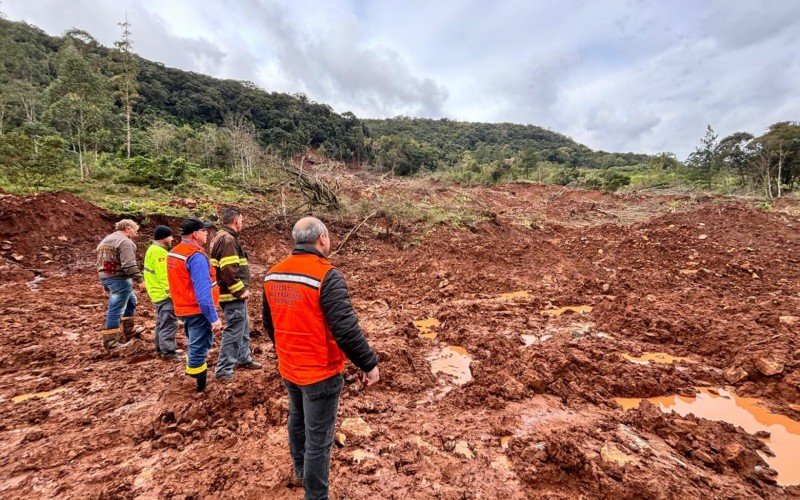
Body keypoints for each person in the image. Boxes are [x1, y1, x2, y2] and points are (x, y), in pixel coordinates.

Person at [263, 216, 380, 499]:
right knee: (319, 439)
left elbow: (269, 324)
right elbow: (345, 328)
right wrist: (369, 364)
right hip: (319, 372)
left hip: (289, 367)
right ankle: (315, 495)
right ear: (322, 239)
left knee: (297, 420)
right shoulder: (326, 275)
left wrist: (286, 351)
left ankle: (300, 471)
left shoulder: (273, 273)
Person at [166, 217, 222, 392]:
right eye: (205, 231)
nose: (207, 234)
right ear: (196, 234)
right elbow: (203, 294)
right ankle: (198, 386)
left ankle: (195, 378)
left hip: (183, 307)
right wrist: (213, 318)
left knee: (194, 342)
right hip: (197, 311)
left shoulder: (175, 252)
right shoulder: (195, 257)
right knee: (199, 346)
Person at [210, 207, 261, 381]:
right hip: (231, 295)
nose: (242, 223)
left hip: (229, 293)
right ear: (236, 220)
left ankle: (243, 358)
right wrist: (240, 291)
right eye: (242, 220)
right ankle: (224, 369)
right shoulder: (227, 240)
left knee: (243, 327)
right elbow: (229, 270)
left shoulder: (221, 237)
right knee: (234, 330)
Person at [96, 219, 143, 350]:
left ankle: (128, 331)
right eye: (134, 230)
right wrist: (140, 280)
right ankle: (111, 343)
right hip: (119, 279)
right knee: (116, 309)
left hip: (107, 277)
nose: (135, 233)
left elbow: (102, 262)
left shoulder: (106, 240)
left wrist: (106, 279)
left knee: (131, 301)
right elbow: (128, 264)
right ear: (128, 229)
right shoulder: (125, 242)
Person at [143, 225, 182, 360]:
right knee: (169, 322)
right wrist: (172, 293)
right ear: (164, 237)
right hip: (164, 294)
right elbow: (165, 276)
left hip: (156, 293)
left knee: (161, 322)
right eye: (170, 236)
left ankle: (161, 349)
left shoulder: (152, 250)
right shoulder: (160, 253)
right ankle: (168, 352)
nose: (172, 239)